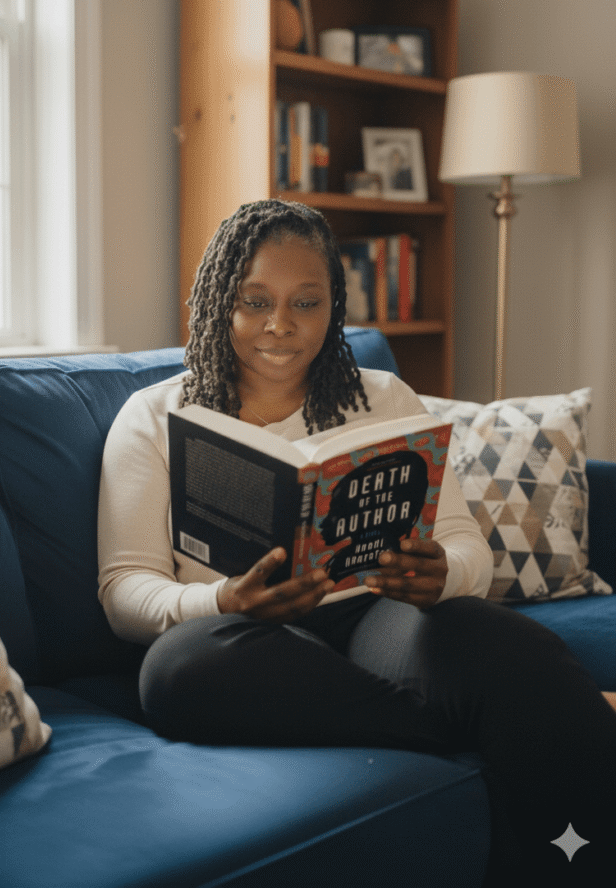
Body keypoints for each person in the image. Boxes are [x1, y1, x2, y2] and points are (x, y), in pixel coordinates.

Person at [98, 199, 615, 887]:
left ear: (332, 308)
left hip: (372, 609)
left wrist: (442, 576)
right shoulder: (153, 415)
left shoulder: (384, 397)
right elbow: (124, 590)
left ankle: (569, 864)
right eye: (255, 302)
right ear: (218, 301)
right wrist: (224, 596)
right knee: (174, 672)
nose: (279, 325)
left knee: (515, 648)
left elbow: (465, 544)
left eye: (305, 303)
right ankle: (489, 725)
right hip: (241, 634)